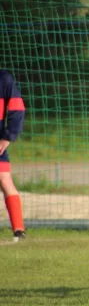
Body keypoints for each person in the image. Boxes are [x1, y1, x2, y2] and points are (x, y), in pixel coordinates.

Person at [0, 70, 27, 241]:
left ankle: (18, 229)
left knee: (5, 179)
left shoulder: (4, 79)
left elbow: (17, 107)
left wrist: (8, 136)